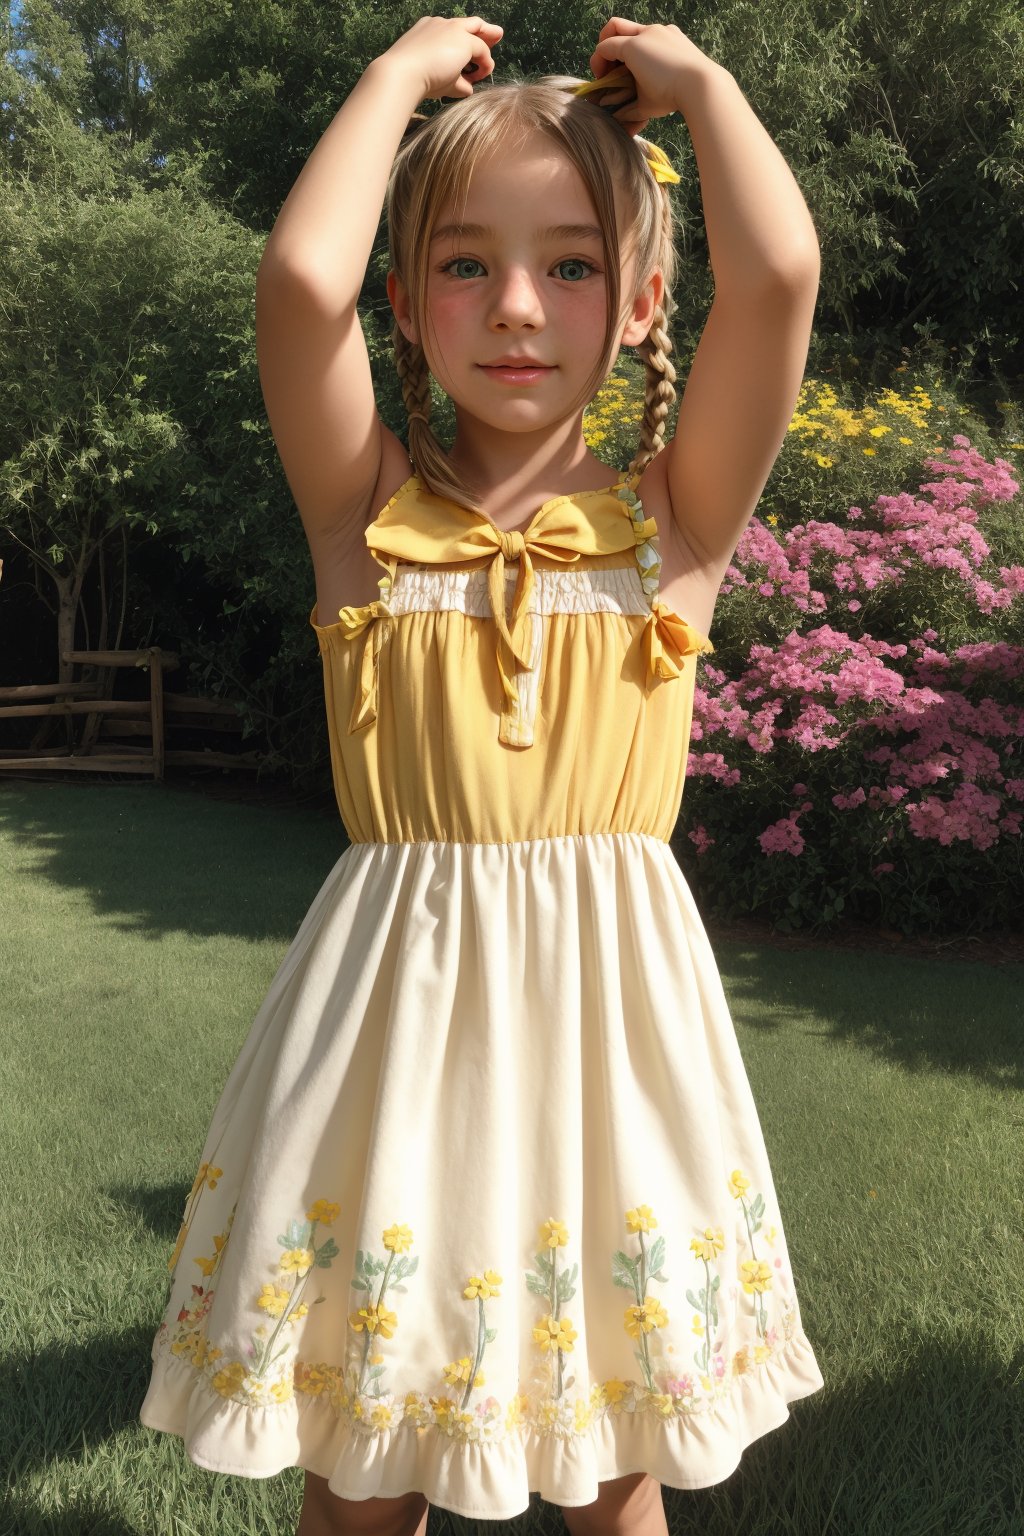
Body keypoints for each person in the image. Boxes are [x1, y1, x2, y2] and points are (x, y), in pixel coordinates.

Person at [139, 14, 825, 1535]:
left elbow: (777, 281)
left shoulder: (676, 525)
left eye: (574, 263)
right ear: (406, 299)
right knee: (364, 1462)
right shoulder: (364, 513)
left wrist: (705, 87)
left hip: (611, 1041)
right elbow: (295, 284)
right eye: (465, 262)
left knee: (614, 1463)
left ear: (644, 300)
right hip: (394, 1033)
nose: (517, 306)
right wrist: (391, 82)